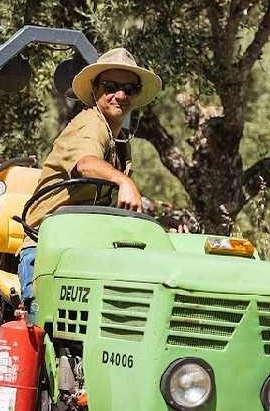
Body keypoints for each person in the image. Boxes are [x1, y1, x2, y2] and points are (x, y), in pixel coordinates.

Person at [17, 47, 163, 322]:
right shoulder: (90, 125)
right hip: (49, 249)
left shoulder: (120, 140)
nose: (121, 95)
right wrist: (124, 181)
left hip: (89, 250)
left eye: (129, 89)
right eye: (111, 86)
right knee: (46, 327)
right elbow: (85, 163)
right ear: (95, 89)